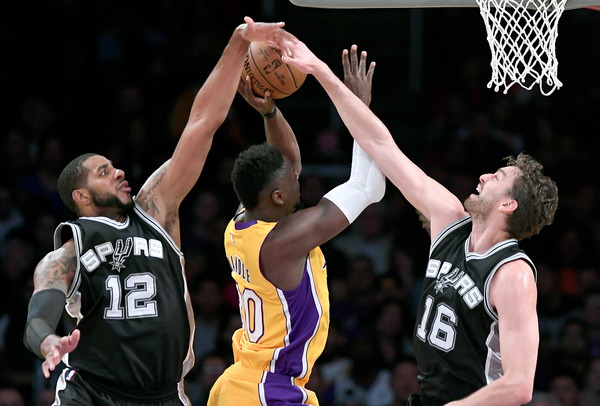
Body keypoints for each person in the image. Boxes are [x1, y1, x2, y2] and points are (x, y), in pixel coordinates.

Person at [22, 17, 296, 406]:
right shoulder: (67, 254)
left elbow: (202, 123)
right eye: (104, 172)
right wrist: (48, 342)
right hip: (92, 395)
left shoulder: (154, 208)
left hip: (164, 395)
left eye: (114, 166)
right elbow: (37, 317)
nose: (118, 172)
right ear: (81, 196)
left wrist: (239, 42)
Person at [281, 43, 559, 406]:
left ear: (508, 204)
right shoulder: (449, 219)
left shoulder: (512, 274)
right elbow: (382, 146)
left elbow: (519, 386)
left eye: (497, 177)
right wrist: (321, 71)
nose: (484, 176)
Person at [207, 44, 385, 405]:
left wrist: (269, 112)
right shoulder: (284, 241)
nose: (299, 176)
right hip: (267, 392)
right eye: (294, 179)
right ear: (276, 196)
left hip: (242, 383)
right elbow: (369, 187)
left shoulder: (241, 221)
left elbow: (286, 159)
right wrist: (359, 107)